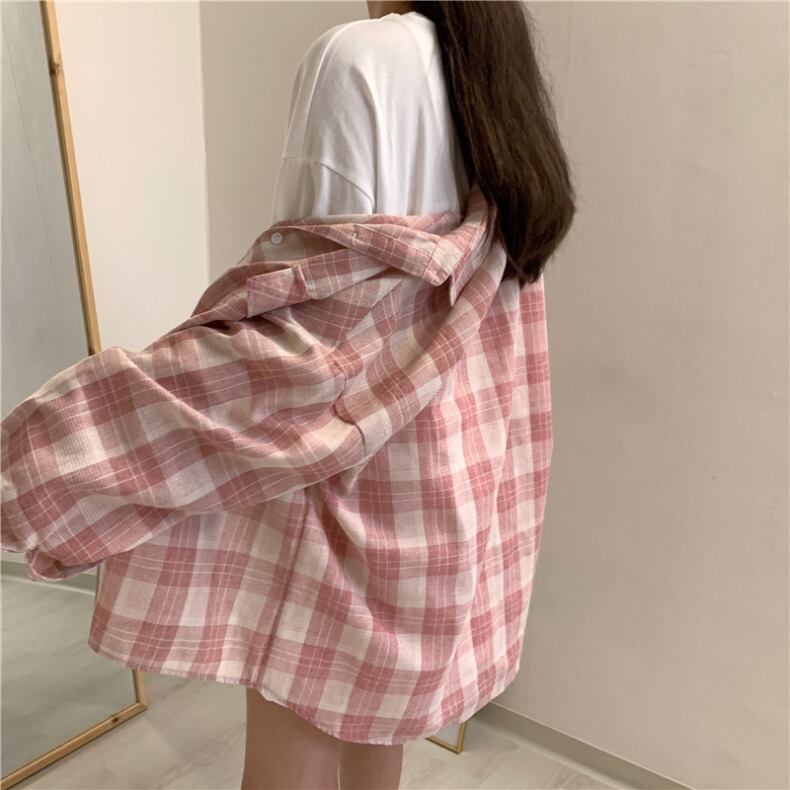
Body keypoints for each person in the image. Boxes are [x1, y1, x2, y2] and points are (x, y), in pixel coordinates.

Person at [240, 2, 576, 789]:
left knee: (287, 760)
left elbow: (307, 314)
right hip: (443, 482)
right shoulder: (495, 78)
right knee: (375, 728)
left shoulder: (356, 59)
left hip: (338, 478)